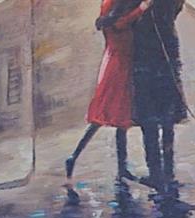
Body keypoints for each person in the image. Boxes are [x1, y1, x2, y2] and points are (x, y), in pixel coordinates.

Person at [67, 0, 152, 182]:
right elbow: (121, 23)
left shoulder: (109, 4)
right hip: (118, 68)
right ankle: (74, 156)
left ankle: (122, 168)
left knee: (121, 120)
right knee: (105, 116)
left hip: (117, 63)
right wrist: (143, 7)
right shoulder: (115, 8)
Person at [131, 0, 187, 192]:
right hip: (168, 54)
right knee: (167, 117)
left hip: (145, 58)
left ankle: (156, 173)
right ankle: (168, 172)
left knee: (150, 119)